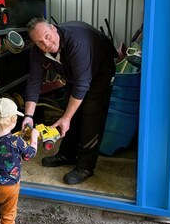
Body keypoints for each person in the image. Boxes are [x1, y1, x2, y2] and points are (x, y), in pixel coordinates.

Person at [22, 18, 116, 185]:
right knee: (68, 109)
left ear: (53, 28)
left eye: (47, 36)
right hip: (75, 73)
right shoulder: (38, 52)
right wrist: (28, 116)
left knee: (91, 113)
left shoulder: (76, 41)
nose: (46, 43)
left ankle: (85, 166)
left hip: (101, 68)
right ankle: (67, 154)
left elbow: (82, 84)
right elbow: (34, 82)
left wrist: (66, 118)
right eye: (40, 42)